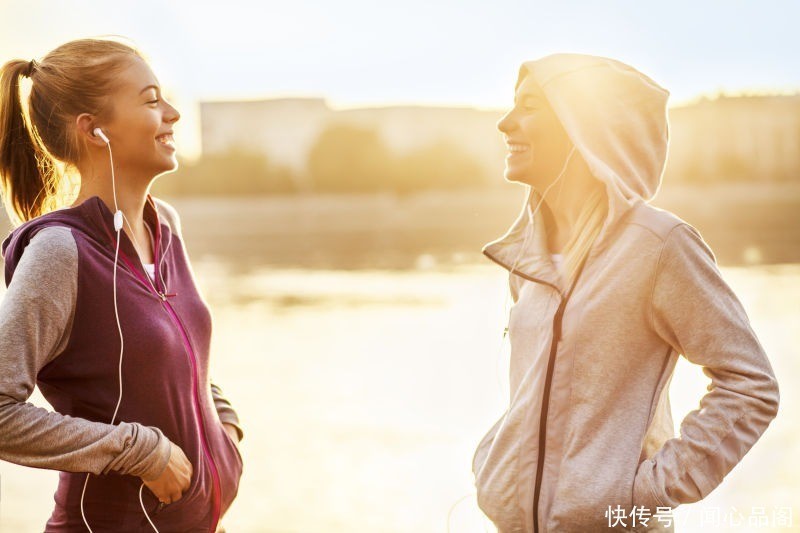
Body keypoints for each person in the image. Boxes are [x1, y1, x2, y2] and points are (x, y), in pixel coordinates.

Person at [471, 53, 780, 532]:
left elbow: (750, 384)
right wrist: (495, 464)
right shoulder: (530, 259)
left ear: (582, 125)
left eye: (529, 107)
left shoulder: (660, 245)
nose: (505, 123)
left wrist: (645, 494)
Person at [0, 38, 243, 532]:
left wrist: (225, 429)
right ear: (94, 129)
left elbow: (180, 359)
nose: (172, 114)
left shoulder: (165, 224)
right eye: (152, 101)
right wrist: (141, 451)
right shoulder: (60, 250)